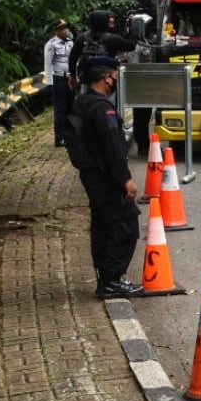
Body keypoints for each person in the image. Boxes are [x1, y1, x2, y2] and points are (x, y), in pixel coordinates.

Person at [72, 56, 143, 298]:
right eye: (115, 75)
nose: (117, 80)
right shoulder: (103, 109)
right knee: (126, 225)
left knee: (103, 226)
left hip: (91, 174)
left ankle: (106, 278)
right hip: (107, 177)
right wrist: (125, 179)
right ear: (107, 78)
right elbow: (112, 147)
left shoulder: (81, 102)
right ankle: (111, 280)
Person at [43, 18, 75, 147]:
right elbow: (48, 64)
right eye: (62, 28)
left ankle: (70, 135)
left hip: (69, 79)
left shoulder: (70, 42)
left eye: (66, 27)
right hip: (58, 79)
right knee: (60, 109)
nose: (66, 30)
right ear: (56, 31)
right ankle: (59, 137)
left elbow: (74, 60)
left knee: (70, 107)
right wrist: (50, 83)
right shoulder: (51, 44)